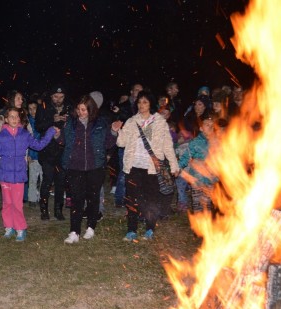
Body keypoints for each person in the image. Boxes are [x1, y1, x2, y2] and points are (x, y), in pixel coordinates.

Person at [0, 107, 58, 242]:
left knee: (17, 204)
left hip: (19, 176)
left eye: (16, 116)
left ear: (19, 118)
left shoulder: (24, 135)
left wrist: (50, 132)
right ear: (6, 119)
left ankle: (20, 228)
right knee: (7, 203)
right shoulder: (0, 137)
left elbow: (39, 145)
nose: (14, 119)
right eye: (11, 117)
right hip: (4, 177)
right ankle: (9, 227)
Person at [113, 90, 179, 242]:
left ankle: (149, 228)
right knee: (132, 200)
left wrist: (174, 165)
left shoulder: (159, 122)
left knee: (151, 200)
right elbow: (121, 143)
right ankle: (131, 230)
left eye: (145, 102)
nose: (141, 105)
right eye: (139, 102)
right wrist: (118, 131)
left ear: (151, 104)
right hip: (133, 166)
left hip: (152, 168)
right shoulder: (131, 121)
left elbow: (167, 146)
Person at [61, 95, 116, 244]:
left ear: (91, 109)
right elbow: (64, 142)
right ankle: (74, 232)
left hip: (95, 167)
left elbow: (108, 144)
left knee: (93, 199)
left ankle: (91, 227)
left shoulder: (100, 123)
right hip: (75, 167)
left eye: (84, 109)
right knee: (76, 200)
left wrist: (113, 132)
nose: (80, 112)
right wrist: (57, 135)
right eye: (78, 109)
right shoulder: (71, 124)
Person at [35, 85, 72, 220]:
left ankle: (58, 210)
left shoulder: (69, 108)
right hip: (47, 152)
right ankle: (44, 210)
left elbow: (73, 129)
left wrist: (68, 122)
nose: (58, 99)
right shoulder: (43, 107)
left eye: (61, 96)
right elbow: (39, 127)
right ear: (51, 96)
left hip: (62, 152)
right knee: (47, 180)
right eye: (56, 96)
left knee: (60, 182)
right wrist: (53, 120)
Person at [178, 111, 218, 213]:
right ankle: (198, 224)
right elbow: (186, 157)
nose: (209, 127)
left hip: (211, 179)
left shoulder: (217, 142)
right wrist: (177, 168)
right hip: (197, 179)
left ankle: (207, 226)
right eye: (207, 124)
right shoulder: (195, 142)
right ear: (201, 128)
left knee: (207, 204)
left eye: (212, 125)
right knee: (197, 204)